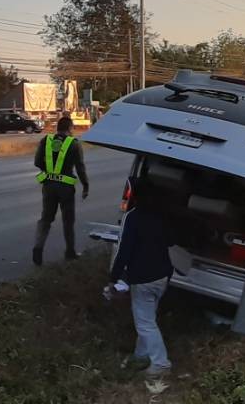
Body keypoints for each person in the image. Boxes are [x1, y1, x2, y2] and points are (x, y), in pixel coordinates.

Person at [106, 179, 175, 377]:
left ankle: (160, 363)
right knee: (148, 318)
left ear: (135, 196)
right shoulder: (161, 215)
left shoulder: (133, 217)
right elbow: (170, 241)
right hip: (162, 276)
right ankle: (141, 355)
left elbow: (124, 251)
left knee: (145, 323)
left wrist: (114, 278)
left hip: (143, 278)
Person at [32, 114, 89, 264]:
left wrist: (49, 170)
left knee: (46, 219)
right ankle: (70, 251)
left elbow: (37, 162)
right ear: (70, 128)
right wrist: (85, 185)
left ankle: (38, 247)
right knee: (68, 221)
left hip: (49, 186)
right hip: (66, 188)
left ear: (58, 128)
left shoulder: (46, 140)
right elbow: (80, 167)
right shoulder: (74, 144)